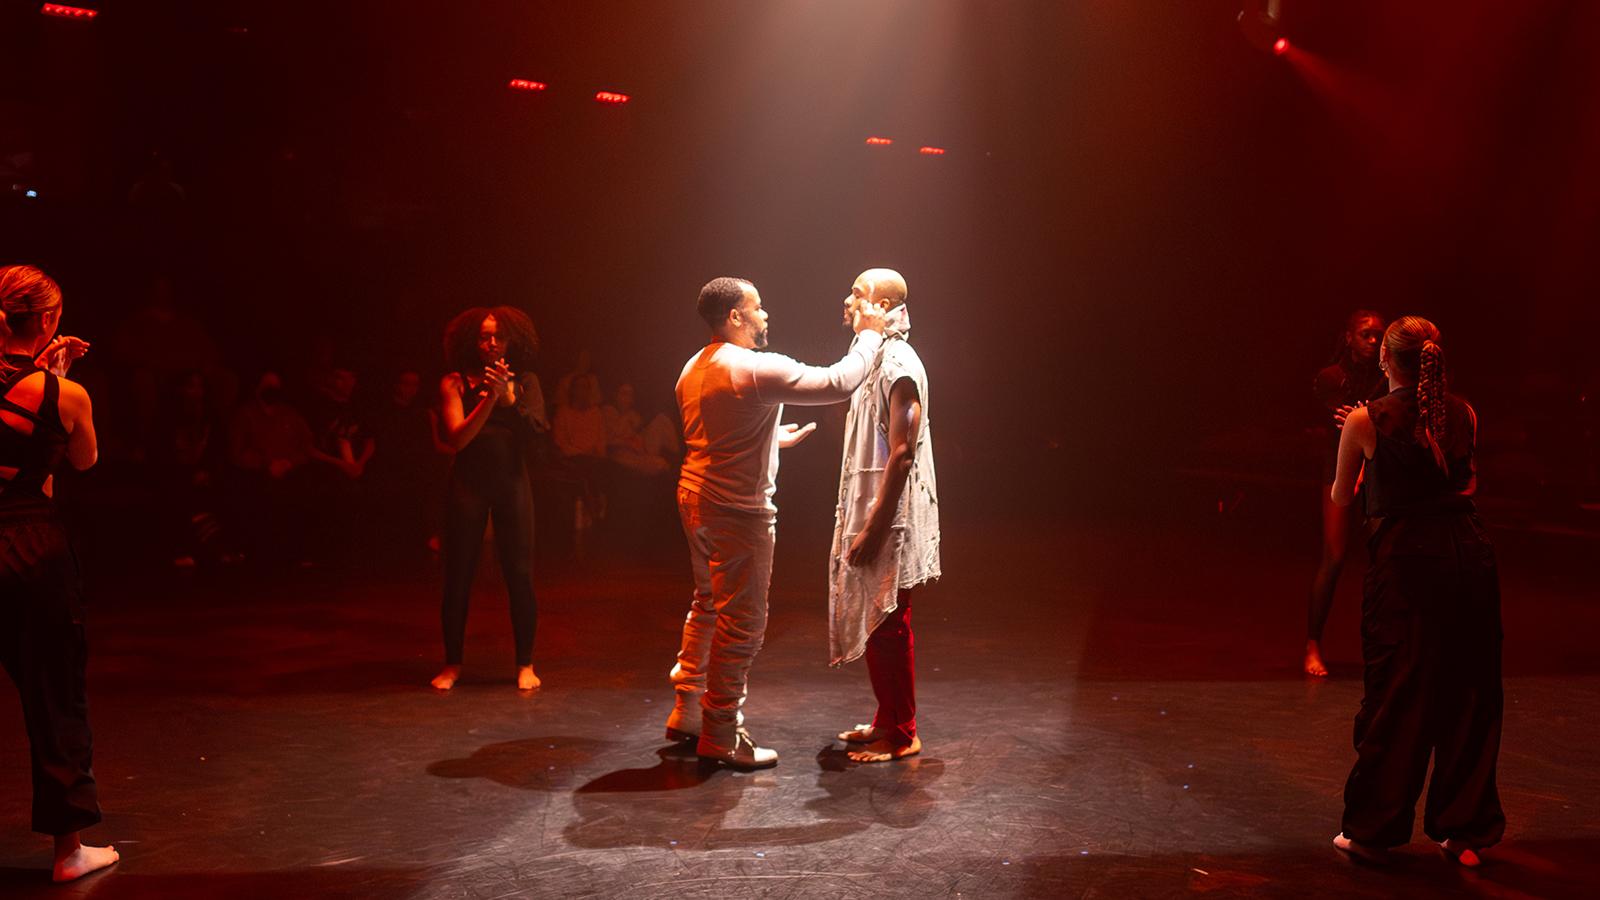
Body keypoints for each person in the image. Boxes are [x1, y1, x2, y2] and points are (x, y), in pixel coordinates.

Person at [664, 276, 887, 769]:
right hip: (735, 511)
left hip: (694, 497)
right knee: (742, 624)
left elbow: (718, 432)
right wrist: (870, 333)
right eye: (758, 308)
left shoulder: (693, 367)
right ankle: (721, 731)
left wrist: (766, 438)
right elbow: (837, 383)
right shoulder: (755, 368)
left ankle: (686, 711)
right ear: (736, 317)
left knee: (707, 605)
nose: (766, 316)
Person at [1330, 316, 1504, 866]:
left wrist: (1356, 447)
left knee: (1400, 692)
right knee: (1469, 690)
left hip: (1409, 563)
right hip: (1469, 556)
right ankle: (1464, 828)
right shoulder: (1464, 412)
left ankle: (1372, 829)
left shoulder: (1365, 418)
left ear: (1385, 359)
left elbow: (1341, 497)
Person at [0, 265, 118, 882]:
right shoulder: (63, 394)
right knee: (53, 697)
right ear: (47, 321)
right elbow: (83, 459)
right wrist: (55, 379)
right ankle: (68, 851)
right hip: (30, 547)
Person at [828, 269, 940, 764]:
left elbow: (902, 452)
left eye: (858, 292)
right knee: (879, 623)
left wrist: (876, 525)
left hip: (889, 516)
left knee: (892, 621)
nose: (848, 299)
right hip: (873, 508)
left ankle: (903, 730)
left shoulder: (898, 361)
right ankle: (885, 719)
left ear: (886, 303)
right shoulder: (874, 357)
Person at [431, 307, 548, 692]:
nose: (491, 343)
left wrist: (509, 398)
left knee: (519, 574)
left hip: (512, 483)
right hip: (468, 485)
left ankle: (525, 663)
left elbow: (537, 432)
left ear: (511, 340)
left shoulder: (526, 381)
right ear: (472, 340)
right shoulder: (454, 382)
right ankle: (452, 664)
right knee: (458, 575)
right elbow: (457, 439)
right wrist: (488, 398)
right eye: (484, 336)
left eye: (498, 336)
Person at [1305, 310, 1387, 677]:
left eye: (1378, 336)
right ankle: (1312, 644)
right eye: (1366, 335)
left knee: (1383, 562)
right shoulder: (1331, 377)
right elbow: (1339, 422)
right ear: (1349, 337)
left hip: (1375, 473)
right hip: (1338, 470)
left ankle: (1383, 648)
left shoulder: (1386, 379)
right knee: (1334, 557)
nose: (1373, 341)